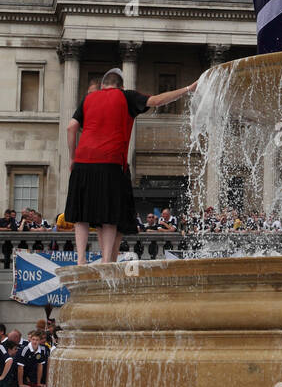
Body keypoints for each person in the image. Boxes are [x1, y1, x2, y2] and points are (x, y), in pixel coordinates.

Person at [65, 68, 198, 265]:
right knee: (108, 216)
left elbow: (71, 127)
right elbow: (157, 100)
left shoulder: (88, 99)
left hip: (83, 161)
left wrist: (72, 157)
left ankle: (81, 260)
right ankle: (106, 261)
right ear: (121, 86)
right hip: (110, 162)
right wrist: (188, 88)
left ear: (103, 86)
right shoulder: (126, 97)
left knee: (80, 215)